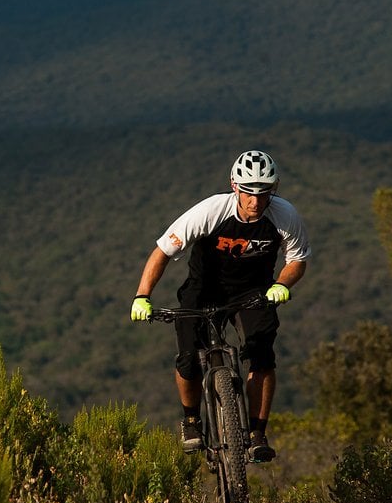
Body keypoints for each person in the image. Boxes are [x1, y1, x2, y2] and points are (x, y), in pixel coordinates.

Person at [130, 149, 311, 462]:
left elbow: (297, 260)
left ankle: (256, 432)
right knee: (187, 357)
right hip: (203, 291)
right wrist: (142, 296)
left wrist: (282, 285)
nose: (256, 202)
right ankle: (191, 422)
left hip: (253, 292)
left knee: (262, 354)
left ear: (274, 189)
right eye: (248, 193)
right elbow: (162, 251)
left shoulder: (285, 215)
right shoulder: (210, 211)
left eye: (264, 193)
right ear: (234, 186)